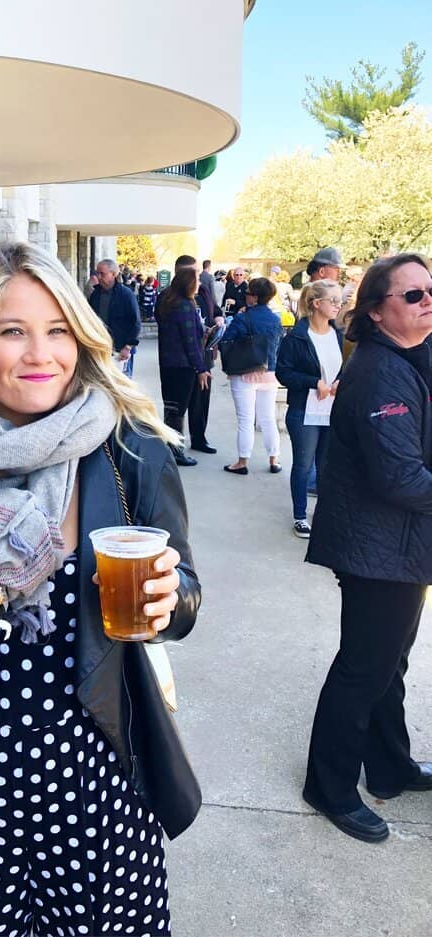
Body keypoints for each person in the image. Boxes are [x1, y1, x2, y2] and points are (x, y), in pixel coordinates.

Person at [0, 242, 202, 935]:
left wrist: (173, 599)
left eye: (58, 330)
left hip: (93, 769)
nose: (39, 353)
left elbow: (186, 594)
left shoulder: (129, 447)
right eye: (12, 330)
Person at [302, 253, 432, 844]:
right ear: (377, 313)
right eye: (412, 295)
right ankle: (328, 785)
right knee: (363, 668)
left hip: (403, 547)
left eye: (429, 289)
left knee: (390, 661)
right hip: (376, 550)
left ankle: (389, 764)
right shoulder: (380, 374)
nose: (426, 299)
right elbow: (401, 478)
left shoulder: (412, 357)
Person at [275, 280, 344, 538]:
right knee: (303, 465)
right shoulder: (297, 336)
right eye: (333, 300)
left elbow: (345, 366)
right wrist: (313, 382)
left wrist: (339, 382)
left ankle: (323, 513)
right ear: (317, 304)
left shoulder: (337, 334)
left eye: (339, 300)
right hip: (304, 410)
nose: (338, 305)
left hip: (332, 409)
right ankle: (300, 515)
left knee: (326, 465)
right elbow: (283, 372)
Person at [220, 277, 283, 475]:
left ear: (254, 297)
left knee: (245, 419)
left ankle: (242, 461)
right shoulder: (275, 319)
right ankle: (274, 459)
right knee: (268, 418)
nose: (246, 295)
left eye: (248, 293)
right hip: (269, 372)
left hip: (245, 372)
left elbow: (228, 339)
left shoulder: (243, 318)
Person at [155, 267, 211, 467]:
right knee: (178, 411)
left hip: (168, 363)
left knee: (171, 408)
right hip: (182, 366)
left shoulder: (167, 301)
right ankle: (176, 452)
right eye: (197, 281)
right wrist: (201, 368)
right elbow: (190, 342)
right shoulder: (185, 306)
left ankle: (170, 448)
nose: (199, 285)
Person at [88, 258, 141, 376]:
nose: (99, 277)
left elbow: (136, 322)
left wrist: (128, 347)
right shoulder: (95, 295)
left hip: (121, 351)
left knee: (122, 387)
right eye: (98, 273)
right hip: (100, 348)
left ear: (113, 274)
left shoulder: (126, 295)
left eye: (102, 273)